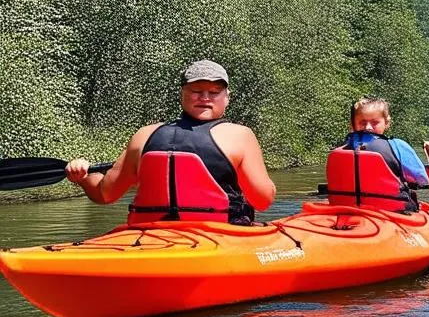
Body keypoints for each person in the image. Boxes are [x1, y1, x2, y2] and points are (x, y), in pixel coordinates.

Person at [65, 60, 276, 225]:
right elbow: (263, 200)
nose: (205, 97)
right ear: (181, 94)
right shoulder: (240, 135)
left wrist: (85, 177)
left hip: (150, 237)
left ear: (226, 97)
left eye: (213, 92)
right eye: (196, 91)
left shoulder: (145, 135)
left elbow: (104, 193)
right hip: (220, 236)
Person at [324, 96, 429, 211]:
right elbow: (422, 180)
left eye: (374, 122)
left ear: (386, 123)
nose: (368, 127)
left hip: (345, 210)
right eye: (363, 122)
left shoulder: (341, 149)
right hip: (394, 212)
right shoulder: (398, 146)